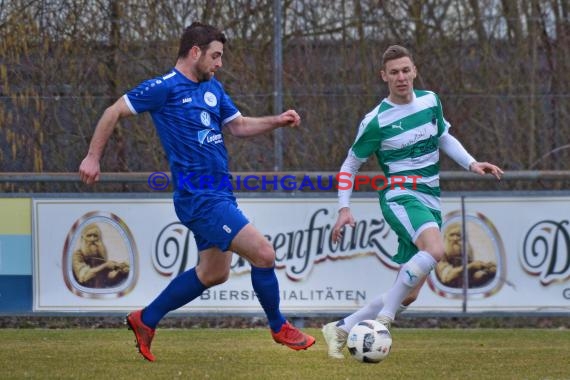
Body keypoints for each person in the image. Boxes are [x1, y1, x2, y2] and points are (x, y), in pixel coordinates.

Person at [79, 22, 315, 361]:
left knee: (213, 272)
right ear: (195, 52)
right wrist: (92, 156)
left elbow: (238, 125)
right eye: (215, 56)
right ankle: (280, 327)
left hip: (220, 193)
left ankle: (145, 319)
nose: (219, 63)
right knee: (264, 253)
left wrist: (276, 120)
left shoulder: (213, 88)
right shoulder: (164, 88)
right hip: (199, 197)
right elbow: (113, 110)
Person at [321, 45, 503, 359]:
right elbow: (350, 165)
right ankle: (382, 322)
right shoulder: (376, 121)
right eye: (394, 72)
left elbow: (443, 136)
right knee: (435, 250)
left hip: (430, 197)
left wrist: (471, 163)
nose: (401, 77)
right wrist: (344, 208)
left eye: (406, 70)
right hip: (400, 194)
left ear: (414, 71)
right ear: (384, 77)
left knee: (408, 293)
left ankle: (341, 328)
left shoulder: (431, 101)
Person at [436, 222, 496, 288]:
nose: (455, 238)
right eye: (452, 235)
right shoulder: (440, 253)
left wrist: (485, 267)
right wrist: (472, 266)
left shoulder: (466, 252)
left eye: (458, 235)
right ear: (445, 237)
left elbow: (469, 271)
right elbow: (446, 276)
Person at [72, 223, 130, 288]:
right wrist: (105, 265)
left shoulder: (100, 255)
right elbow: (83, 277)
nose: (92, 239)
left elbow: (107, 278)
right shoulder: (77, 255)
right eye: (89, 235)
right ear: (83, 238)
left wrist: (119, 269)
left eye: (95, 236)